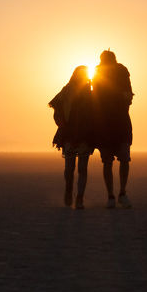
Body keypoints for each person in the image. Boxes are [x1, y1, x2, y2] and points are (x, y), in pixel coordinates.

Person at [49, 65, 97, 209]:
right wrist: (62, 125)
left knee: (82, 168)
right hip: (69, 134)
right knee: (69, 168)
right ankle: (69, 192)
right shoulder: (67, 91)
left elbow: (96, 114)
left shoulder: (90, 93)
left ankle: (80, 198)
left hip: (85, 135)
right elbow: (57, 110)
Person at [92, 50, 134, 208]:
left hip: (110, 124)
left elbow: (128, 95)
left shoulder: (118, 71)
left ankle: (115, 195)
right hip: (112, 123)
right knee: (118, 160)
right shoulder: (100, 73)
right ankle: (118, 194)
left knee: (111, 161)